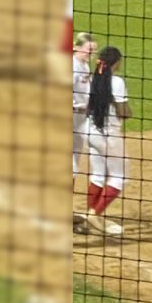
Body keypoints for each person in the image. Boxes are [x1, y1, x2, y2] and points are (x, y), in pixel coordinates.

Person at [81, 45, 129, 237]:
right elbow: (124, 112)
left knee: (98, 175)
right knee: (120, 177)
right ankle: (94, 214)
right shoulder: (116, 82)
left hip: (89, 132)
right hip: (108, 136)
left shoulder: (91, 79)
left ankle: (88, 221)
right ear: (116, 63)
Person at [70, 32, 97, 234]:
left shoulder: (84, 64)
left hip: (81, 119)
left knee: (74, 163)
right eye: (89, 49)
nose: (92, 53)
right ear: (79, 47)